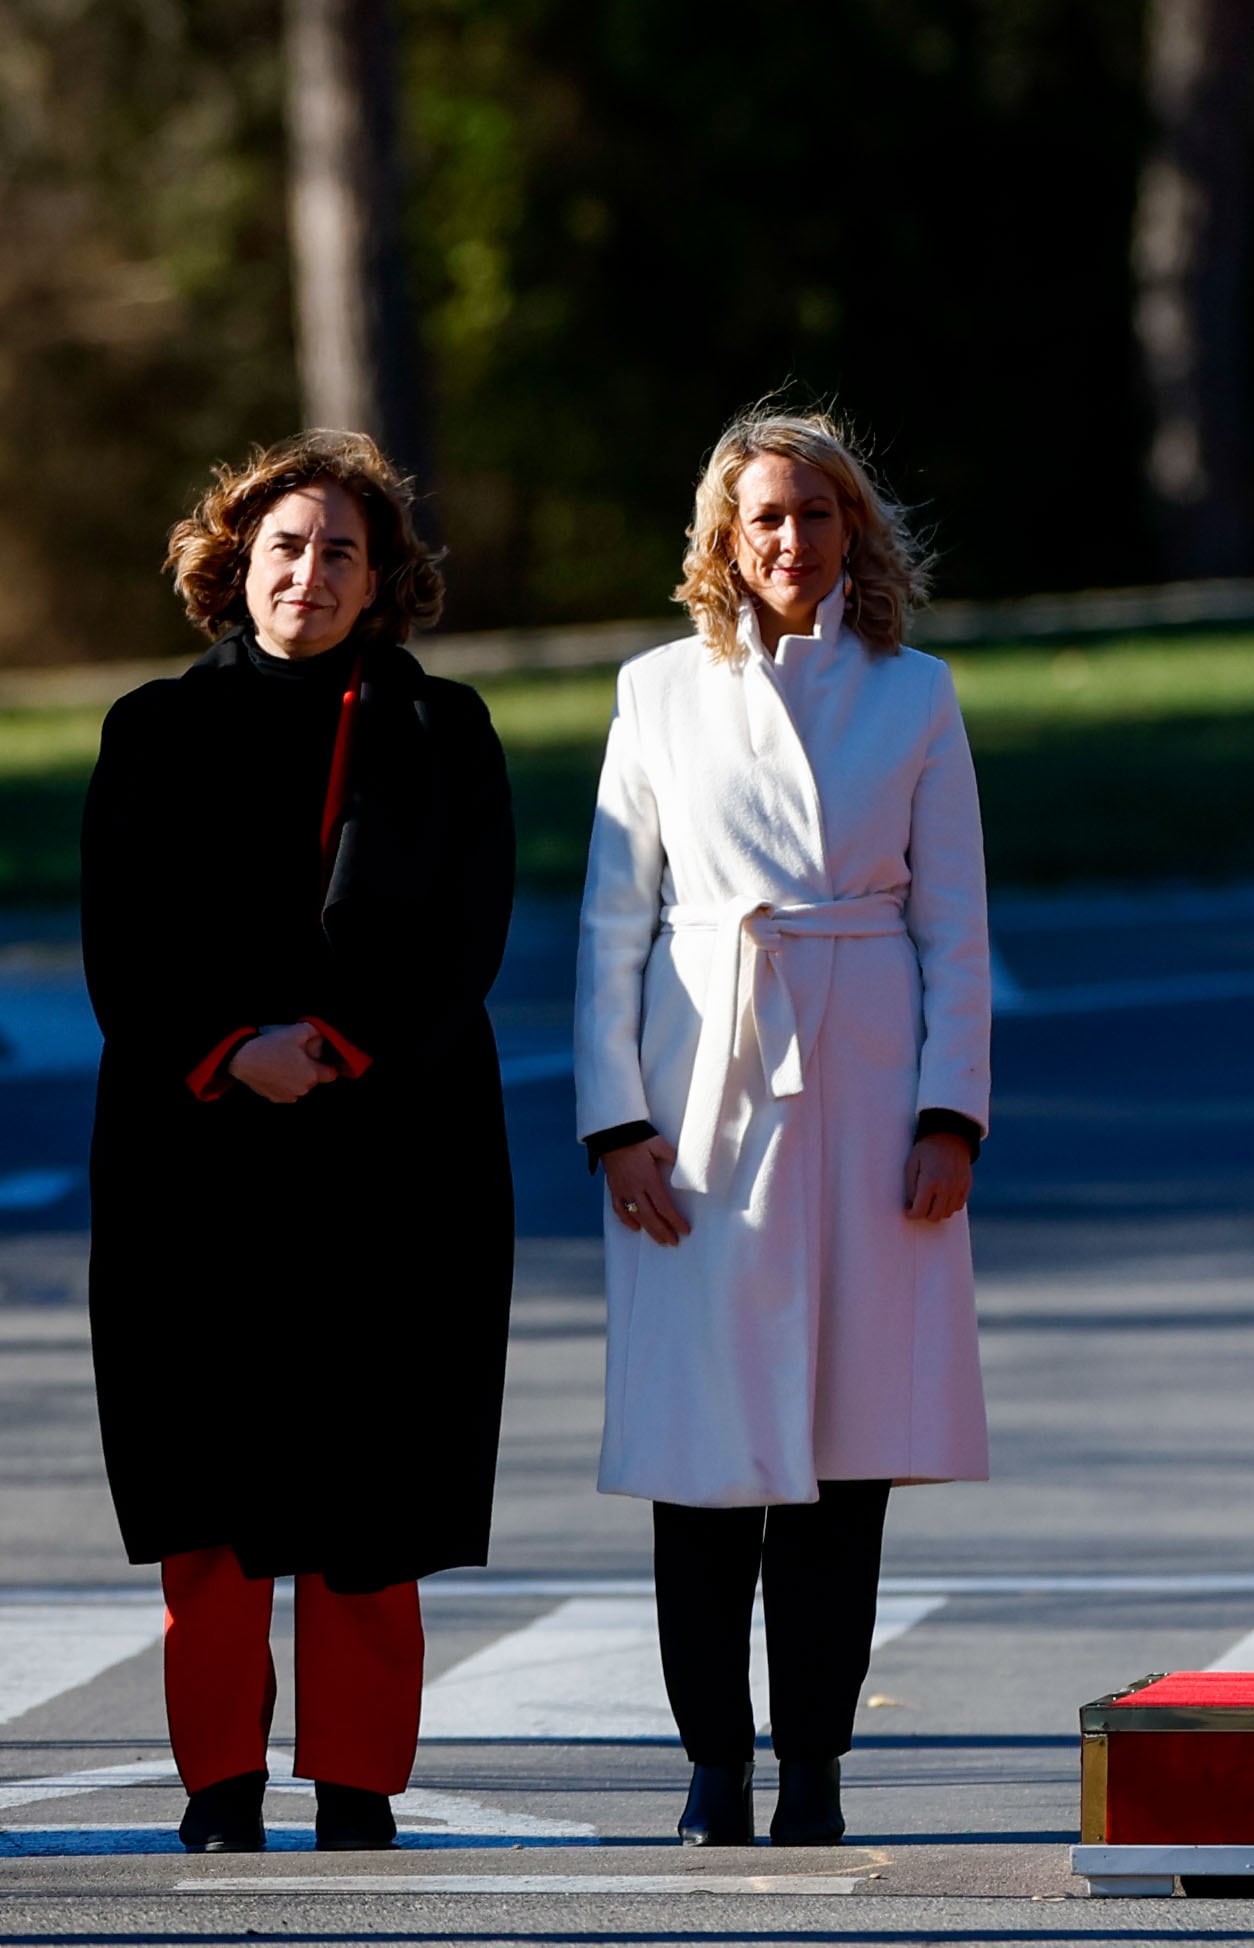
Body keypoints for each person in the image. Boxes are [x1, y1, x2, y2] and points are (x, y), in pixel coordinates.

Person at [83, 432, 516, 1853]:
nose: (310, 574)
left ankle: (356, 1782)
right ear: (234, 563)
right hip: (193, 1162)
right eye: (286, 546)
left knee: (367, 1496)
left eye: (342, 551)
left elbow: (468, 936)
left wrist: (330, 1046)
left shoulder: (442, 729)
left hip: (393, 1153)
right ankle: (218, 1783)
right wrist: (232, 1052)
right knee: (208, 1495)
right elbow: (120, 945)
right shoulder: (150, 727)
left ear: (383, 579)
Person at [572, 408, 992, 1847]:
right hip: (706, 1091)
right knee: (707, 1451)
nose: (791, 541)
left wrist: (952, 1112)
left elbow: (957, 925)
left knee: (841, 1452)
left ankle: (812, 1762)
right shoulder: (656, 693)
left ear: (851, 533)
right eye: (765, 517)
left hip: (871, 1083)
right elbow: (611, 923)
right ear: (723, 538)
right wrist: (616, 1120)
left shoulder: (915, 693)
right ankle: (712, 1763)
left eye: (816, 515)